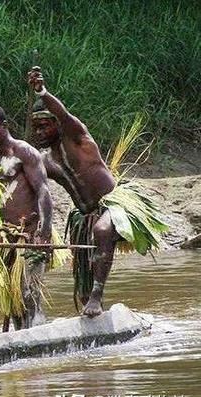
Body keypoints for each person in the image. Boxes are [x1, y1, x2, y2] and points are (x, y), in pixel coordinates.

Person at [28, 67, 168, 317]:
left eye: (44, 126)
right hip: (83, 216)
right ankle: (91, 306)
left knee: (102, 230)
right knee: (83, 277)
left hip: (115, 204)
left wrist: (42, 92)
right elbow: (27, 175)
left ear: (58, 126)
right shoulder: (45, 161)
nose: (39, 133)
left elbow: (63, 113)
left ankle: (96, 296)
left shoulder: (79, 139)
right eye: (35, 128)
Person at [0, 104, 53, 329]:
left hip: (29, 236)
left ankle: (36, 338)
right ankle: (22, 339)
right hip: (3, 239)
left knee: (28, 292)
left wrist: (44, 232)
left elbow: (43, 191)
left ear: (4, 126)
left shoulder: (24, 152)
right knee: (12, 298)